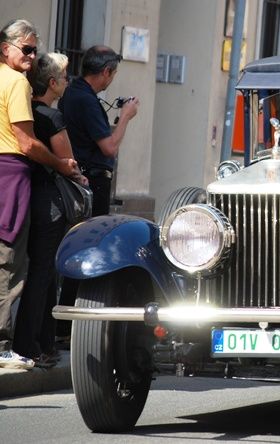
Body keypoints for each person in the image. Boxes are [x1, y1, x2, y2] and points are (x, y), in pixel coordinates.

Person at [0, 19, 79, 370]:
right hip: (12, 175)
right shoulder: (15, 82)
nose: (31, 57)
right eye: (26, 49)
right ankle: (5, 347)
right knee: (10, 264)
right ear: (6, 49)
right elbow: (27, 142)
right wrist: (62, 165)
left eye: (35, 50)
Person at [59, 45, 139, 217]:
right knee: (93, 238)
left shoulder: (71, 92)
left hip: (77, 178)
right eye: (114, 73)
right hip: (92, 182)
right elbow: (109, 148)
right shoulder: (87, 101)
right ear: (106, 71)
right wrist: (125, 116)